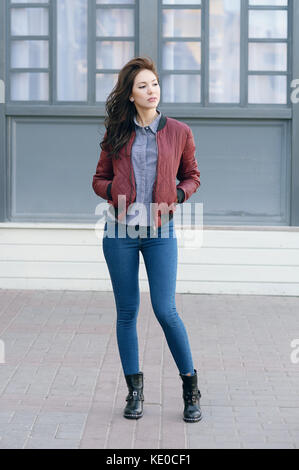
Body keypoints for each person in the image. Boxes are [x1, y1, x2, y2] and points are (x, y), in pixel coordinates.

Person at [92, 56, 202, 423]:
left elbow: (193, 176)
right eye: (142, 86)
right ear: (131, 94)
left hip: (160, 232)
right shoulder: (116, 132)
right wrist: (114, 191)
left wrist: (179, 194)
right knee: (127, 313)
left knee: (165, 309)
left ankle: (190, 388)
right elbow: (98, 178)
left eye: (154, 83)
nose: (151, 90)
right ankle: (135, 392)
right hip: (119, 232)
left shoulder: (179, 131)